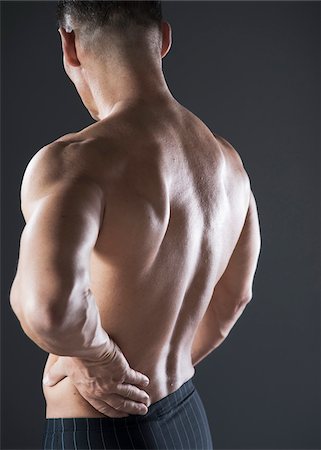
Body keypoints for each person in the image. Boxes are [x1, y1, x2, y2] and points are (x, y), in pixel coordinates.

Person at [9, 1, 261, 449]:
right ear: (163, 39)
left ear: (69, 45)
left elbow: (46, 308)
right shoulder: (228, 162)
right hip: (185, 419)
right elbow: (233, 300)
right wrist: (158, 374)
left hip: (99, 431)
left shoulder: (77, 162)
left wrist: (101, 358)